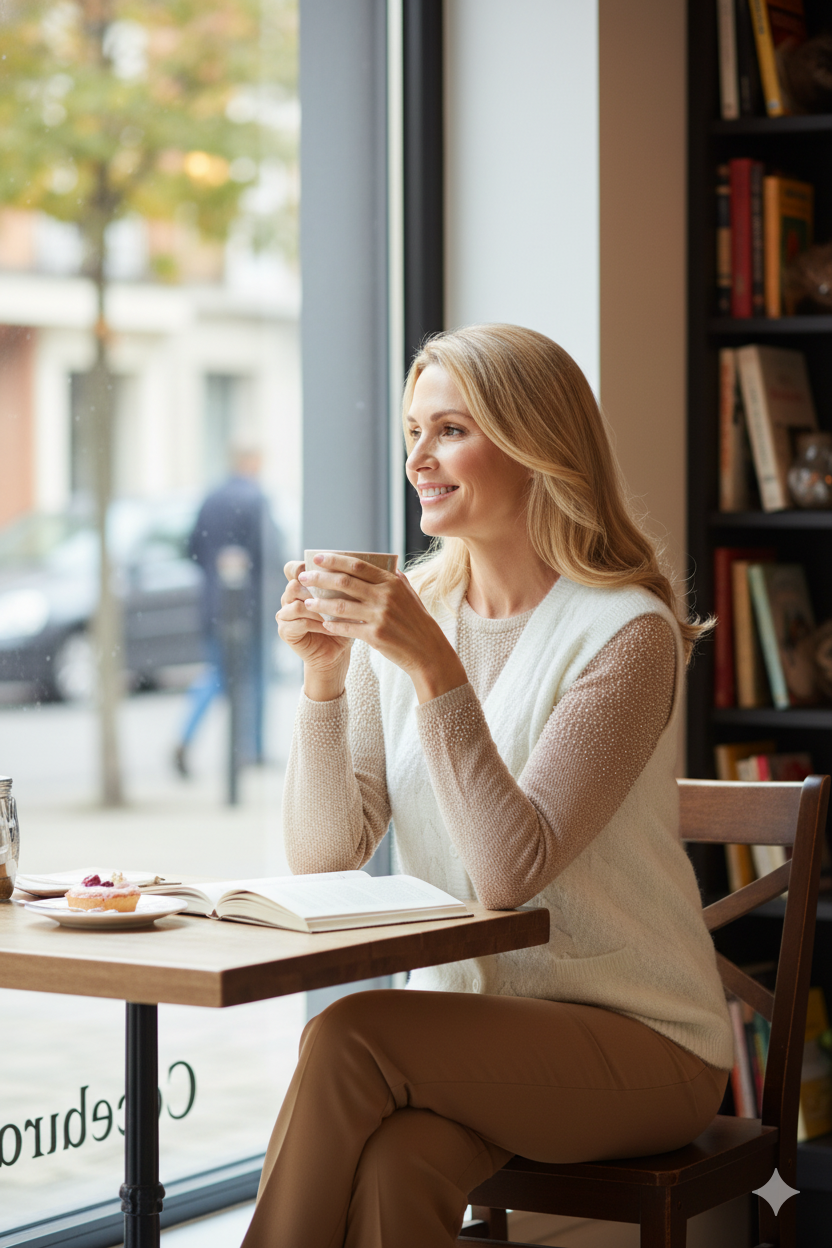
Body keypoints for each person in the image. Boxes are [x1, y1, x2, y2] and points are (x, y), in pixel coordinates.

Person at [242, 325, 732, 1248]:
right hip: (480, 1037)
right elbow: (323, 853)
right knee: (396, 1165)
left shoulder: (626, 633)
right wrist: (324, 677)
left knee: (352, 1035)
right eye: (411, 434)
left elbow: (510, 871)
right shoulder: (418, 612)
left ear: (535, 441)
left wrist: (433, 667)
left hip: (644, 1041)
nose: (419, 460)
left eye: (450, 431)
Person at [174, 445, 279, 776]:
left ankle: (185, 735)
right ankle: (253, 751)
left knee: (219, 675)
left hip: (213, 606)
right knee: (257, 678)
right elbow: (270, 555)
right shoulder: (256, 499)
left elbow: (191, 548)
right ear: (252, 462)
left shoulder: (211, 498)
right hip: (250, 607)